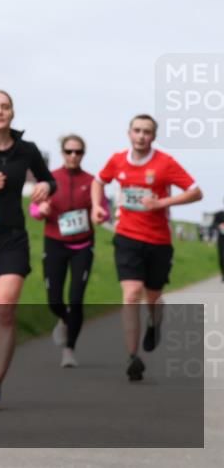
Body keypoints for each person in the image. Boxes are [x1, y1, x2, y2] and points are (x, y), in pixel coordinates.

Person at [91, 115, 202, 381]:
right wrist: (97, 206)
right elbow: (99, 180)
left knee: (152, 298)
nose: (141, 136)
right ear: (129, 133)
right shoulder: (117, 160)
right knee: (131, 294)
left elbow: (196, 192)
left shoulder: (165, 163)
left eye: (147, 132)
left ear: (153, 136)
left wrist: (162, 203)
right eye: (137, 131)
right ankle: (133, 356)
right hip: (127, 236)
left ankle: (155, 320)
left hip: (158, 241)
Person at [0, 90, 55, 410]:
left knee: (5, 309)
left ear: (12, 113)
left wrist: (46, 186)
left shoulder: (26, 150)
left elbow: (48, 180)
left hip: (12, 239)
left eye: (5, 106)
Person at [29, 134, 107, 368]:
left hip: (83, 245)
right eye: (69, 151)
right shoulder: (50, 179)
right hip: (54, 244)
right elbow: (34, 209)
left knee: (76, 299)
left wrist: (100, 215)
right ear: (62, 153)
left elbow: (102, 209)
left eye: (78, 152)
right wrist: (40, 210)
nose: (73, 156)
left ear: (83, 154)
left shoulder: (92, 181)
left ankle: (69, 349)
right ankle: (64, 319)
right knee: (54, 301)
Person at [213, 202, 224, 282]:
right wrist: (219, 225)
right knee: (222, 257)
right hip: (221, 239)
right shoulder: (219, 214)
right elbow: (213, 224)